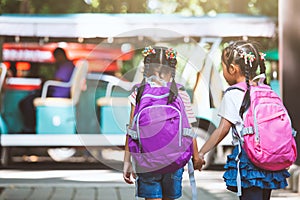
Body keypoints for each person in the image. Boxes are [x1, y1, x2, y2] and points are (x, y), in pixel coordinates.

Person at [197, 40, 290, 200]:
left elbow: (222, 130)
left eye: (223, 67)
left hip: (250, 159)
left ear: (232, 69)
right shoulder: (266, 90)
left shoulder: (233, 94)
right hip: (270, 157)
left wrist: (201, 152)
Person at [123, 46, 202, 200]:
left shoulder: (138, 92)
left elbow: (132, 131)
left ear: (147, 70)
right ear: (171, 71)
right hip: (174, 161)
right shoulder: (179, 93)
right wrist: (196, 157)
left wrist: (127, 161)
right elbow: (189, 129)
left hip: (147, 162)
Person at [19, 47, 75, 133]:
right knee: (29, 99)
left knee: (27, 101)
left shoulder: (66, 65)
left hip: (57, 94)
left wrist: (46, 81)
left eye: (55, 57)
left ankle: (29, 129)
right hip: (55, 92)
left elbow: (57, 80)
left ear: (60, 55)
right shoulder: (68, 65)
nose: (55, 60)